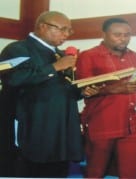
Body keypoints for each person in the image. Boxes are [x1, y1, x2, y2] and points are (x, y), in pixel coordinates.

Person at [0, 11, 99, 177]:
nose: (66, 35)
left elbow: (65, 90)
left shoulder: (61, 55)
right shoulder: (17, 48)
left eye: (69, 30)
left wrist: (83, 91)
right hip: (32, 128)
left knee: (57, 172)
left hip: (61, 130)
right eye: (62, 29)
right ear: (43, 27)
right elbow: (13, 79)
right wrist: (54, 67)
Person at [76, 18, 136, 178]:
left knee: (130, 174)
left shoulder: (134, 56)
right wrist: (114, 88)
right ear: (104, 34)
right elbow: (83, 89)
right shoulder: (89, 56)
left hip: (131, 122)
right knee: (95, 173)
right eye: (117, 34)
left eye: (127, 35)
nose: (123, 38)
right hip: (101, 122)